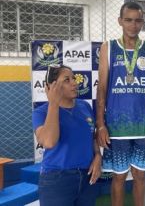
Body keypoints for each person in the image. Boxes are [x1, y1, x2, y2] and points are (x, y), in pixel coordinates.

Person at [96, 1, 145, 206]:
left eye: (137, 20)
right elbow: (101, 88)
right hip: (116, 127)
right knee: (119, 177)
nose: (133, 25)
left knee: (140, 175)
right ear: (120, 21)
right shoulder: (108, 47)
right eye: (128, 20)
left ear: (143, 23)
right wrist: (100, 124)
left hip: (144, 125)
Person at [32, 64, 101, 206]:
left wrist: (98, 156)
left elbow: (92, 137)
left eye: (73, 78)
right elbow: (49, 141)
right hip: (57, 181)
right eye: (67, 80)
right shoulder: (41, 113)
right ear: (52, 86)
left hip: (87, 178)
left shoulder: (85, 106)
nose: (74, 83)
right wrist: (53, 103)